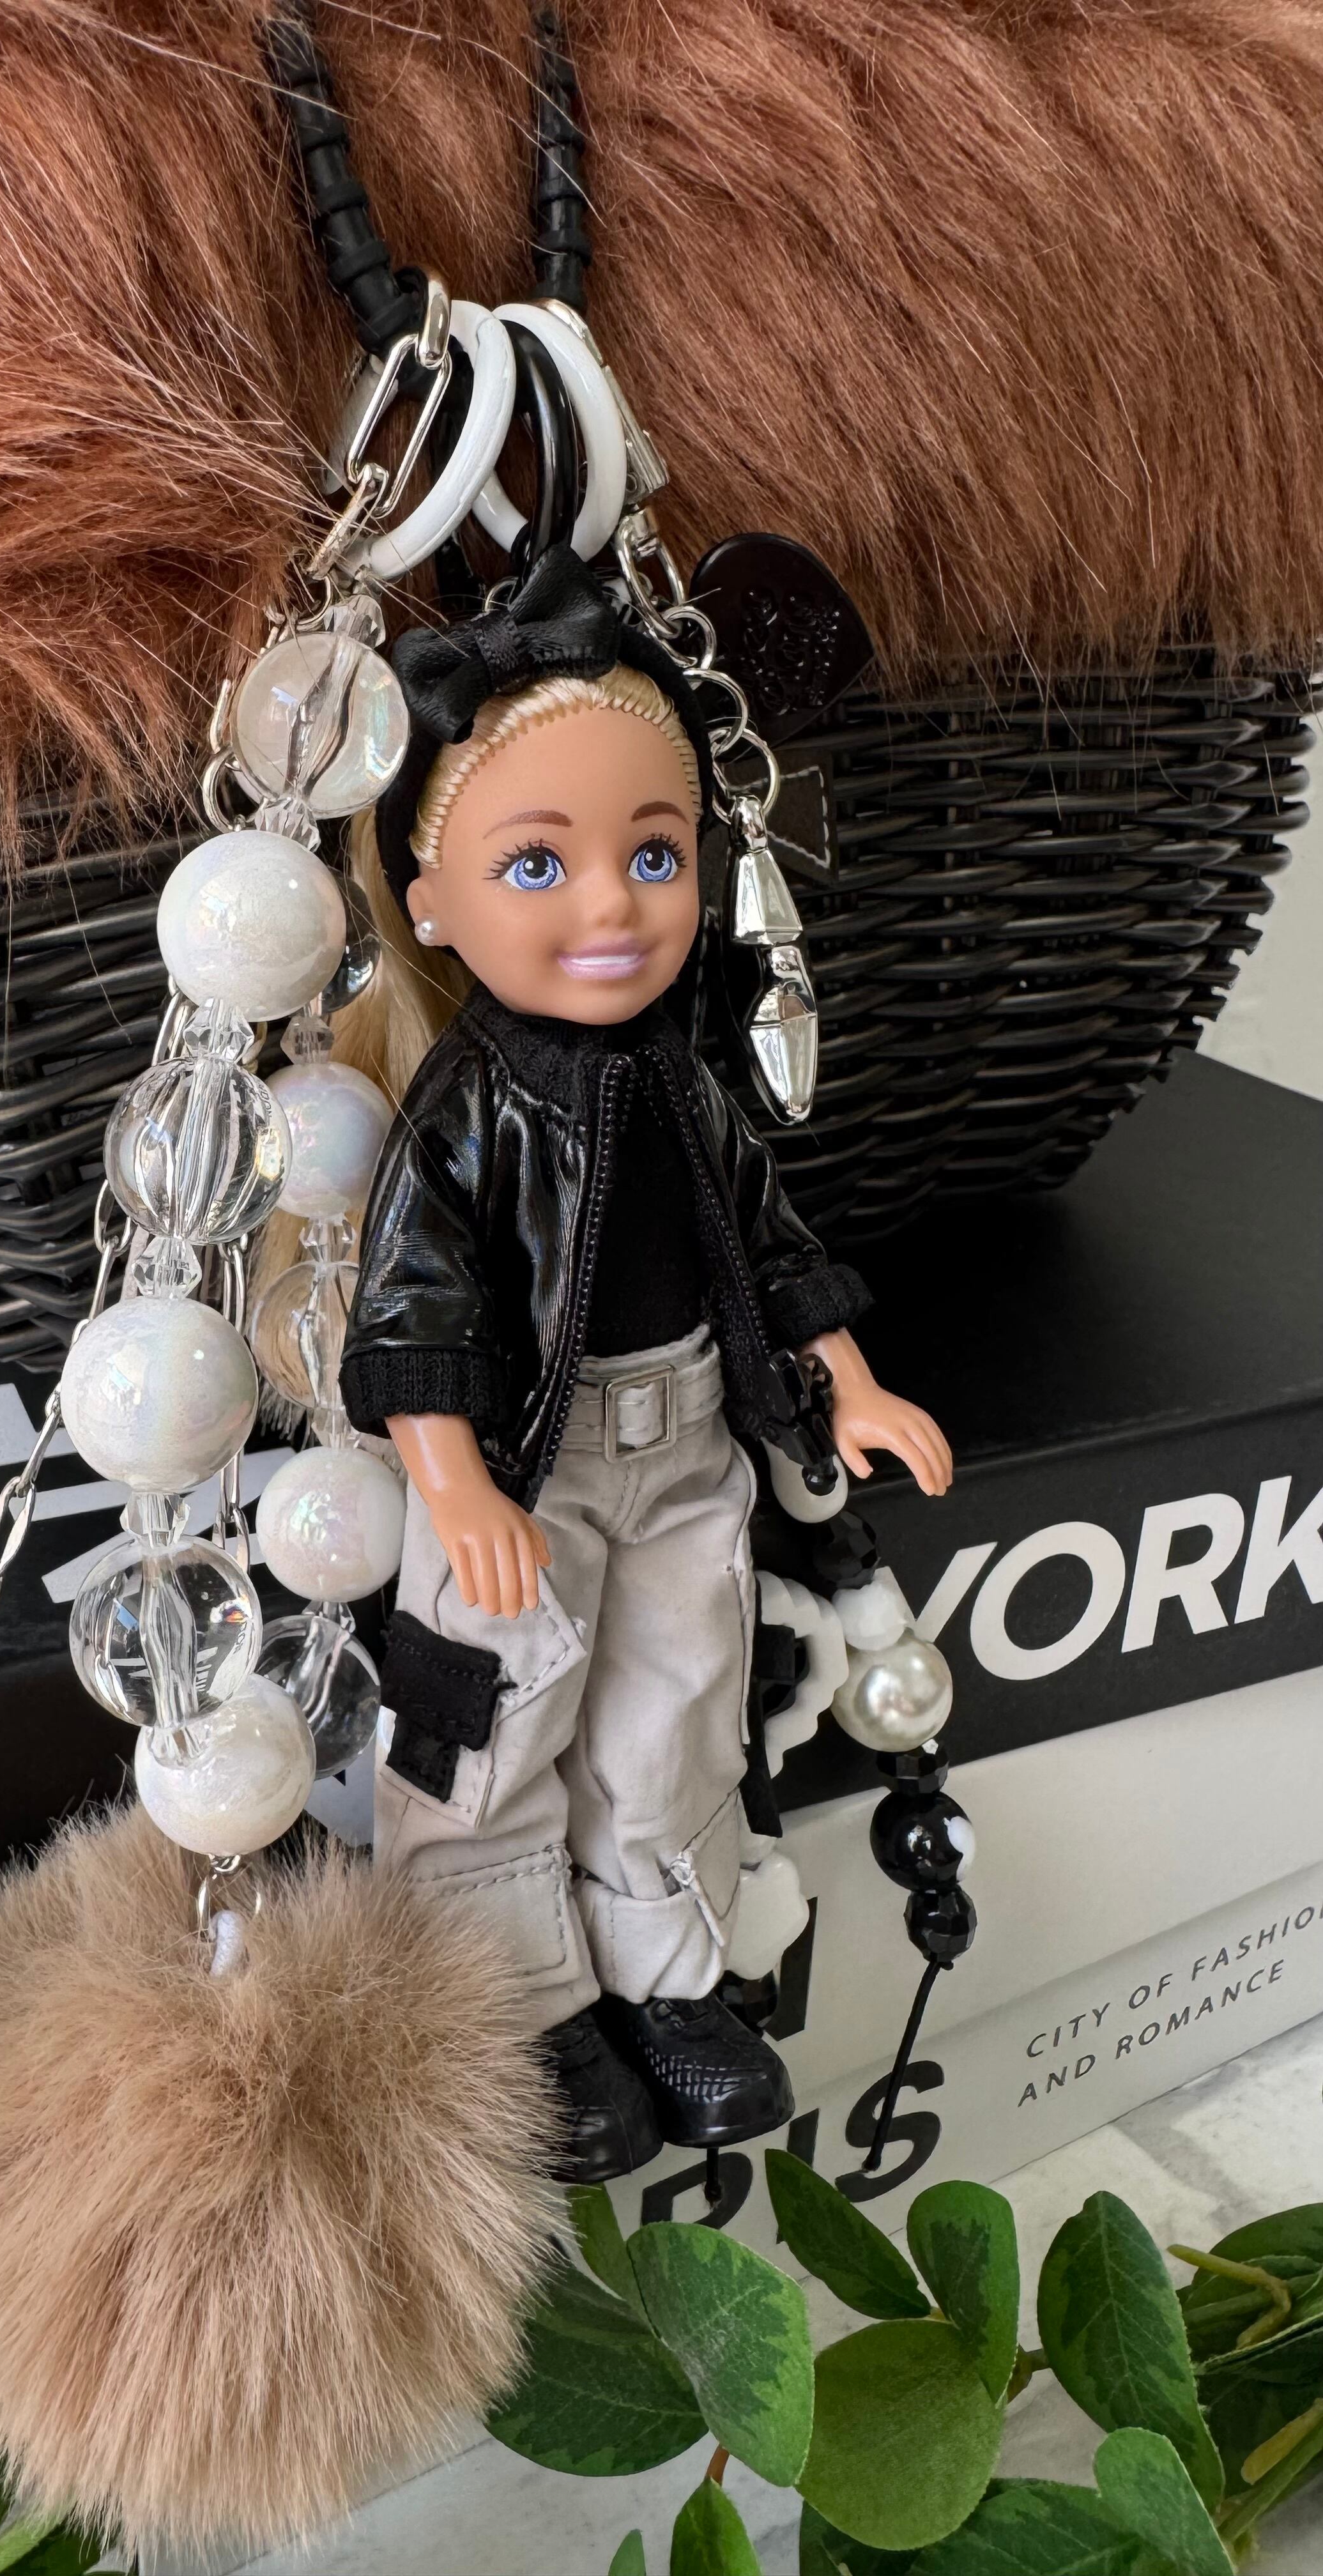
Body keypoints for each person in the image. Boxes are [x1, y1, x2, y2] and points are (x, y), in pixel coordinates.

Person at [335, 546, 952, 2182]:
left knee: (677, 1709)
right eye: (538, 865)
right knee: (491, 1727)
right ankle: (515, 2002)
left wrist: (851, 1381)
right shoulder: (465, 1110)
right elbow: (415, 1308)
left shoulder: (685, 1080)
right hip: (521, 1471)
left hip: (689, 1449)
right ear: (430, 900)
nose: (611, 906)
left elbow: (767, 1241)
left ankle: (666, 1977)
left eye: (655, 853)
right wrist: (453, 1485)